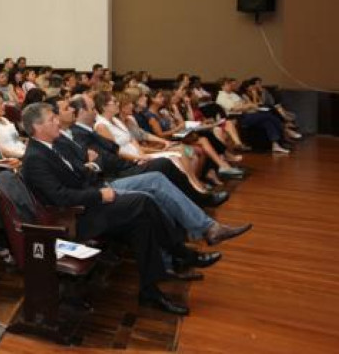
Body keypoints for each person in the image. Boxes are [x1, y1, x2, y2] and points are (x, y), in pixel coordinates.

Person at [20, 102, 220, 316]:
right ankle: (181, 253)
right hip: (76, 218)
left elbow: (80, 172)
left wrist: (95, 181)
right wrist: (99, 194)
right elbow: (60, 197)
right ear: (37, 127)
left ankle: (151, 290)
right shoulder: (35, 157)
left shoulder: (54, 145)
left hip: (90, 199)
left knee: (142, 221)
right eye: (52, 119)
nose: (57, 121)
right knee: (143, 202)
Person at [53, 98, 252, 265]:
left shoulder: (80, 132)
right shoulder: (77, 134)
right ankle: (192, 231)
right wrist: (102, 163)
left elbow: (112, 150)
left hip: (119, 170)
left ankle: (194, 231)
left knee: (165, 171)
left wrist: (132, 158)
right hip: (110, 179)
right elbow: (98, 164)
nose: (94, 111)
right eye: (91, 108)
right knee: (159, 177)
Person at [216, 77, 290, 154]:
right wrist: (248, 105)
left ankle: (275, 145)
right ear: (222, 86)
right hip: (237, 118)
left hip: (245, 114)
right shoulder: (222, 97)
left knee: (267, 121)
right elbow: (235, 108)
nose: (230, 85)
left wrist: (246, 106)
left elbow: (243, 104)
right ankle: (285, 131)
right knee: (267, 115)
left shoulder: (233, 94)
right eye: (228, 84)